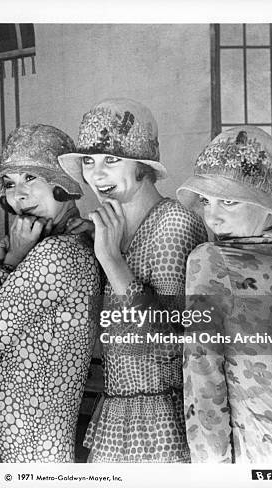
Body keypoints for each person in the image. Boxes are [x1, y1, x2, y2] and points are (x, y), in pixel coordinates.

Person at [58, 99, 207, 462]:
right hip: (114, 411)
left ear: (142, 165)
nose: (97, 175)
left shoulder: (174, 222)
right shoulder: (108, 224)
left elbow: (172, 335)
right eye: (89, 162)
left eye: (112, 160)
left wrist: (111, 260)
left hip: (163, 420)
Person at [176, 126, 272, 463]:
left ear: (271, 207)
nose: (212, 215)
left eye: (228, 200)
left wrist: (214, 472)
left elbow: (203, 380)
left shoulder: (211, 260)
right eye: (206, 200)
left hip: (265, 457)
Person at [0, 124, 102, 462]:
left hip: (24, 439)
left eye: (31, 179)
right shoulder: (75, 245)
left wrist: (8, 264)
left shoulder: (56, 254)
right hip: (35, 435)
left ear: (62, 186)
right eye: (10, 184)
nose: (19, 195)